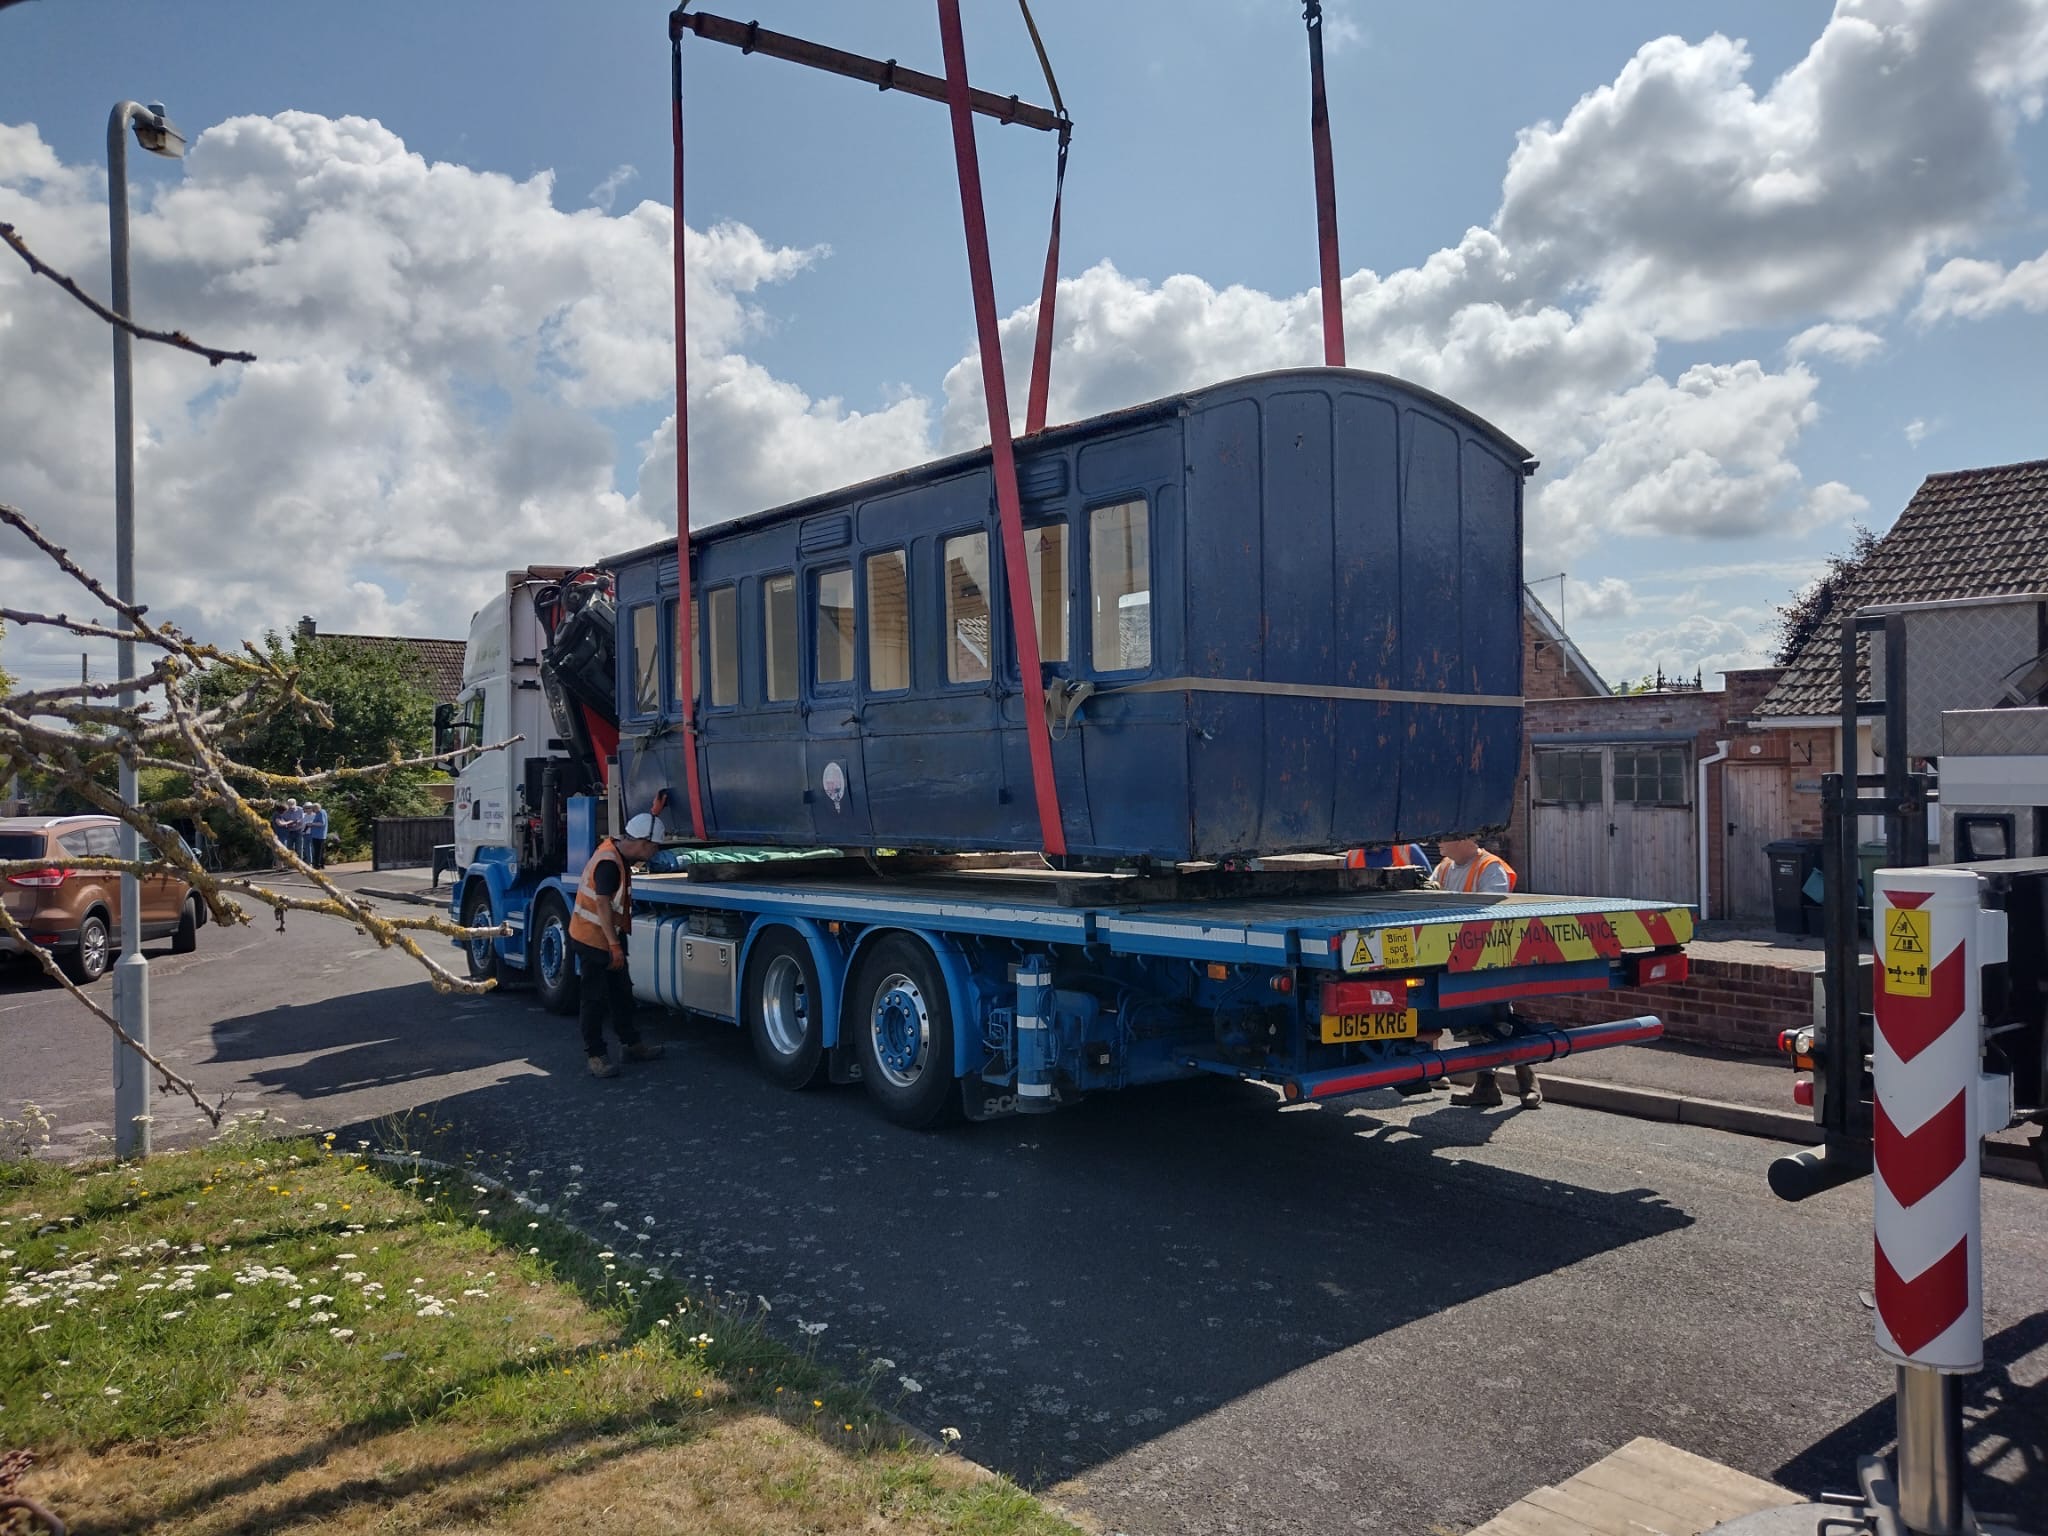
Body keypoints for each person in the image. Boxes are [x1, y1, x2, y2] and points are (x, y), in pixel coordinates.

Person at [566, 792, 671, 1078]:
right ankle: (596, 1055)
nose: (655, 853)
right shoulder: (610, 864)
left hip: (607, 935)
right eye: (654, 847)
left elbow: (644, 830)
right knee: (594, 998)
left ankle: (631, 1044)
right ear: (642, 843)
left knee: (622, 993)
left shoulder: (617, 848)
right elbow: (602, 904)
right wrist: (614, 946)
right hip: (592, 938)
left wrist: (654, 814)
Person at [1431, 834, 1539, 1109]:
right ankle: (1486, 1087)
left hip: (1491, 958)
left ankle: (1528, 1083)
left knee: (1501, 1019)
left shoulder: (1490, 868)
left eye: (1445, 836)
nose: (1437, 841)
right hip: (1460, 957)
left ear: (1465, 839)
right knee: (1476, 1021)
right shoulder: (1444, 868)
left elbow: (1492, 912)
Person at [305, 802, 328, 869]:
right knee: (321, 850)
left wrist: (312, 824)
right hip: (318, 835)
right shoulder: (322, 812)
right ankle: (321, 864)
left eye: (313, 809)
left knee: (317, 851)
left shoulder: (320, 813)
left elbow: (322, 823)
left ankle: (317, 865)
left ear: (316, 808)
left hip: (318, 835)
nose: (313, 810)